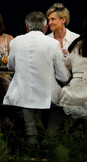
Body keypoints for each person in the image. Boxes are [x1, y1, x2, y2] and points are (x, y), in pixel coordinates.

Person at [5, 11, 70, 143]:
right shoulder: (53, 44)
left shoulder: (16, 42)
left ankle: (31, 136)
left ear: (27, 27)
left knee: (26, 98)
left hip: (20, 93)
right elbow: (63, 76)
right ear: (46, 28)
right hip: (48, 95)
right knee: (66, 104)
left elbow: (10, 66)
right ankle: (48, 138)